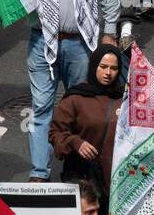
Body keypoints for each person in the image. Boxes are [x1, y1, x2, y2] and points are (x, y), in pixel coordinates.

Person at [23, 0, 120, 181]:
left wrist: (110, 34)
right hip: (42, 41)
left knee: (81, 108)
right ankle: (39, 173)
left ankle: (77, 168)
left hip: (81, 43)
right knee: (41, 107)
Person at [48, 45, 124, 193]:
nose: (108, 73)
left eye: (114, 68)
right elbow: (55, 133)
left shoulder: (125, 99)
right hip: (83, 178)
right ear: (94, 65)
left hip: (116, 180)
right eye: (103, 66)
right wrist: (75, 142)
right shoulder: (76, 98)